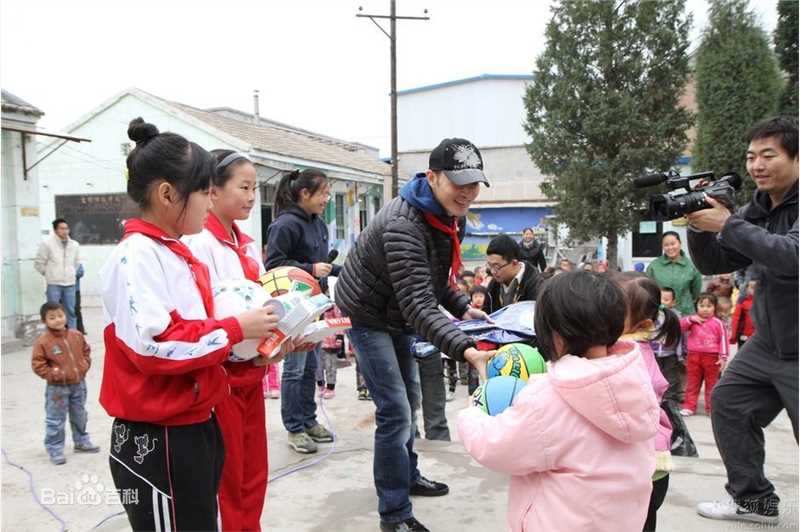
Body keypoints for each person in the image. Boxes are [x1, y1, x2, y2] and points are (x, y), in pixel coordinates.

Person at [98, 118, 280, 531]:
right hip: (159, 435)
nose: (208, 201)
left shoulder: (174, 252)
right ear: (167, 194)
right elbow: (157, 344)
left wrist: (255, 343)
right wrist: (236, 328)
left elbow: (199, 337)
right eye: (204, 191)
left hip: (194, 421)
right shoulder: (137, 257)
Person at [336, 137, 496, 532]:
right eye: (460, 182)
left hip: (396, 311)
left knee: (411, 398)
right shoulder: (404, 225)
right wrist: (466, 350)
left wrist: (462, 307)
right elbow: (420, 305)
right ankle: (394, 514)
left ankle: (407, 476)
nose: (468, 192)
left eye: (474, 183)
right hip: (369, 314)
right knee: (396, 410)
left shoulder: (441, 214)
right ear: (433, 177)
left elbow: (435, 278)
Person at [457, 272, 659, 532]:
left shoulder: (550, 399)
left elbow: (497, 446)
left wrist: (471, 414)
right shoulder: (634, 378)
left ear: (555, 335)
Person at [687, 116, 797, 525]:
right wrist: (699, 225)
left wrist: (729, 224)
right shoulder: (760, 207)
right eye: (751, 157)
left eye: (769, 155)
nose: (757, 165)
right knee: (730, 403)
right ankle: (753, 500)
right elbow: (717, 260)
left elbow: (790, 257)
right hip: (768, 344)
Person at [183, 149, 277, 532]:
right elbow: (202, 317)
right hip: (221, 375)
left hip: (252, 371)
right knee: (230, 474)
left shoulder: (249, 244)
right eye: (244, 187)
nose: (252, 196)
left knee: (255, 470)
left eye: (255, 187)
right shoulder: (198, 244)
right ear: (213, 191)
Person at [266, 168, 338, 455]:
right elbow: (273, 265)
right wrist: (309, 269)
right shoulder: (285, 225)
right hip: (293, 308)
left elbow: (323, 264)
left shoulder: (318, 224)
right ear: (304, 194)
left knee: (311, 366)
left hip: (315, 305)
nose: (327, 198)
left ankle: (309, 420)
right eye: (322, 193)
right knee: (294, 369)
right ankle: (294, 428)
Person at [614, 273, 680, 532]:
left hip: (644, 464)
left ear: (640, 322)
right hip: (648, 461)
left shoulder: (627, 357)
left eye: (612, 310)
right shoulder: (629, 348)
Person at [31, 302, 99, 465]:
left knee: (80, 414)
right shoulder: (43, 341)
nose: (57, 320)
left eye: (60, 316)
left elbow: (86, 351)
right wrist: (53, 374)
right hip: (57, 389)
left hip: (78, 384)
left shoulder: (76, 335)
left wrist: (84, 366)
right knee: (55, 419)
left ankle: (81, 441)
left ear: (65, 316)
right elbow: (37, 363)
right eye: (52, 317)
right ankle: (55, 448)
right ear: (44, 321)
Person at [678, 294, 729, 417]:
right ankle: (689, 406)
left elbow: (723, 339)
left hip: (712, 358)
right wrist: (690, 319)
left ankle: (711, 408)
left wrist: (723, 357)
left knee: (712, 384)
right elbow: (680, 326)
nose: (705, 309)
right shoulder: (692, 320)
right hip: (693, 356)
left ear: (714, 307)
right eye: (702, 305)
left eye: (709, 306)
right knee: (692, 383)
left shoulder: (718, 323)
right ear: (696, 306)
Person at [35, 218, 81, 330]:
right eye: (62, 228)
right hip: (54, 284)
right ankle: (52, 335)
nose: (65, 231)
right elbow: (39, 263)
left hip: (70, 283)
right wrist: (49, 274)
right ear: (55, 230)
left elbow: (77, 262)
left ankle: (72, 334)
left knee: (71, 310)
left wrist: (72, 272)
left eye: (67, 228)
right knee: (52, 312)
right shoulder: (47, 244)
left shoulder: (74, 244)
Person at [645, 231, 702, 316]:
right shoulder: (654, 266)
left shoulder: (692, 266)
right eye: (666, 245)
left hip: (686, 313)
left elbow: (696, 292)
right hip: (661, 314)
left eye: (673, 244)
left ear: (680, 243)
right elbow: (648, 291)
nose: (670, 247)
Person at [484, 234, 540, 314]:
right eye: (490, 265)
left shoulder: (536, 285)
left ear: (514, 263)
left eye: (497, 266)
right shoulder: (493, 285)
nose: (493, 271)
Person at [653, 287, 685, 403]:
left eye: (666, 300)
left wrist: (680, 354)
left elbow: (680, 337)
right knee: (655, 375)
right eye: (660, 299)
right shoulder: (652, 315)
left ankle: (670, 398)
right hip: (654, 351)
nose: (662, 302)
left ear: (673, 302)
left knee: (670, 375)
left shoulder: (676, 316)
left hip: (669, 352)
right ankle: (655, 396)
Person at [730, 280, 757, 348]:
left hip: (760, 337)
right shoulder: (742, 302)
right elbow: (736, 319)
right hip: (744, 336)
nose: (755, 290)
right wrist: (734, 336)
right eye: (752, 287)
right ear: (747, 288)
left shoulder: (765, 303)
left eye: (757, 287)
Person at [74, 263, 86, 334]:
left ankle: (80, 329)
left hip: (75, 289)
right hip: (60, 287)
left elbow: (80, 272)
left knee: (77, 309)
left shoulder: (76, 260)